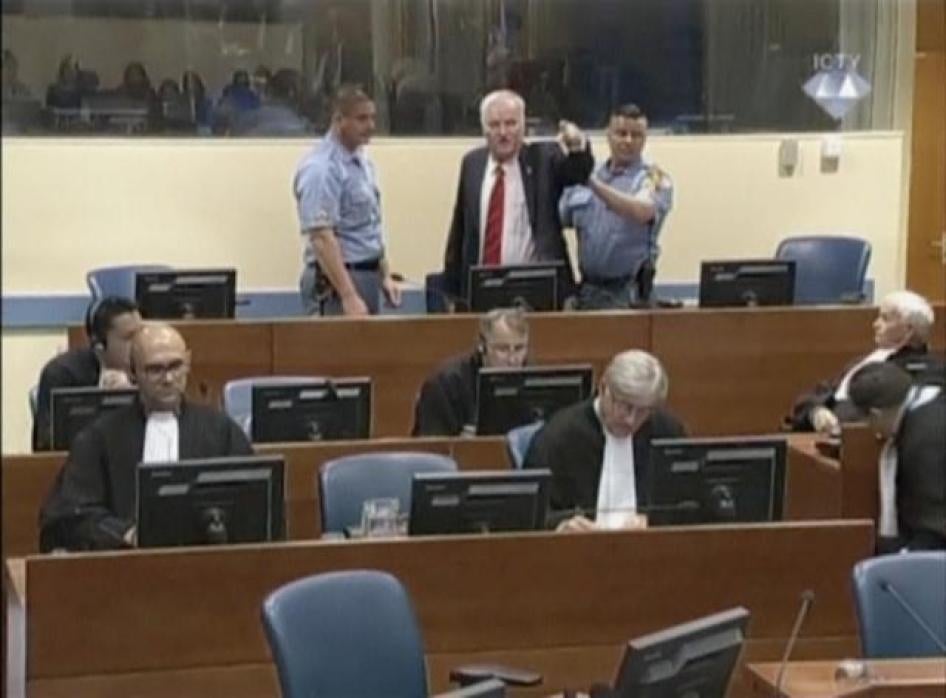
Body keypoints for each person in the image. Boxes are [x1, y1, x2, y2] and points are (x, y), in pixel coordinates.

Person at [39, 323, 253, 552]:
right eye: (155, 370)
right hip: (126, 562)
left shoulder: (221, 431)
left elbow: (253, 502)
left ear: (188, 362)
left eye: (176, 366)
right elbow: (69, 515)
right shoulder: (100, 437)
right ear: (133, 373)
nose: (168, 379)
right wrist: (124, 533)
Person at [442, 89, 594, 305]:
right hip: (483, 286)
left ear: (523, 127)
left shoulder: (543, 159)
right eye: (495, 125)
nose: (503, 132)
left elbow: (579, 172)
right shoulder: (472, 163)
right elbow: (460, 229)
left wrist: (578, 147)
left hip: (536, 287)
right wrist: (451, 291)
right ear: (484, 129)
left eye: (511, 124)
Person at [523, 349, 686, 531]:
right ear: (603, 388)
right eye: (625, 406)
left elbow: (687, 504)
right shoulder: (559, 436)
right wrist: (561, 526)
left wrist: (653, 522)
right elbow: (528, 513)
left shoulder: (666, 432)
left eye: (642, 411)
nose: (631, 420)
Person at [293, 84, 400, 316]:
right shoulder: (322, 168)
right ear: (338, 120)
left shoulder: (361, 162)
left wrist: (384, 274)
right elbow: (322, 238)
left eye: (372, 118)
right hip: (336, 284)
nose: (371, 126)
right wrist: (348, 295)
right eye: (361, 119)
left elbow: (368, 225)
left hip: (366, 275)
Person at [560, 103, 673, 309]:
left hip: (630, 296)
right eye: (621, 133)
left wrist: (591, 182)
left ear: (645, 139)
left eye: (636, 135)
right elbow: (559, 217)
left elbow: (642, 210)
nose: (628, 141)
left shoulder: (654, 177)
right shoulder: (587, 174)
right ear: (608, 135)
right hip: (587, 292)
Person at [785, 290, 936, 434]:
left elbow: (865, 418)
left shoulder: (912, 372)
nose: (875, 324)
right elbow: (819, 392)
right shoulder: (868, 359)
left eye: (885, 319)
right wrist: (815, 412)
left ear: (908, 331)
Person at [848, 361, 945, 553]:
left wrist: (904, 559)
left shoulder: (922, 444)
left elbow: (936, 526)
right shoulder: (933, 397)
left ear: (875, 415)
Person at [32, 297, 142, 452]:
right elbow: (46, 443)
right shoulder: (62, 373)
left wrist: (132, 397)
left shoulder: (149, 366)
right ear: (99, 344)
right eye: (129, 338)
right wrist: (103, 400)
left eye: (141, 335)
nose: (139, 344)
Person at [412, 307, 529, 436]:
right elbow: (431, 443)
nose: (512, 360)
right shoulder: (445, 383)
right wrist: (463, 444)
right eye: (503, 349)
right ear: (481, 346)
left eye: (519, 348)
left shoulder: (531, 378)